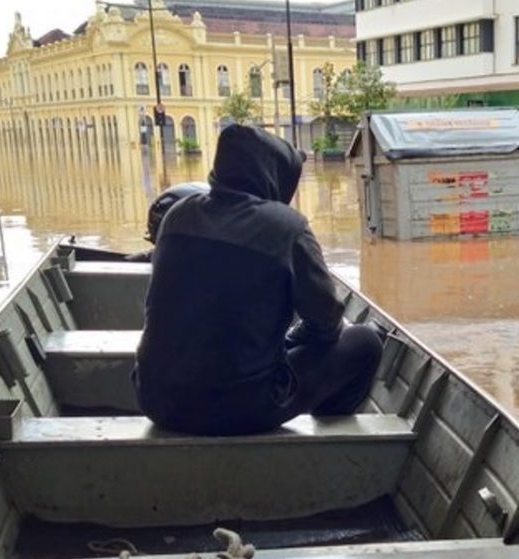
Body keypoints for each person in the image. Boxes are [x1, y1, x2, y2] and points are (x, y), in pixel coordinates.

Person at [133, 124, 383, 436]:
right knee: (365, 341)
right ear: (274, 175)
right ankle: (331, 436)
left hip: (156, 399)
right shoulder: (288, 228)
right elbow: (326, 323)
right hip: (242, 407)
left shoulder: (176, 216)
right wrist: (293, 339)